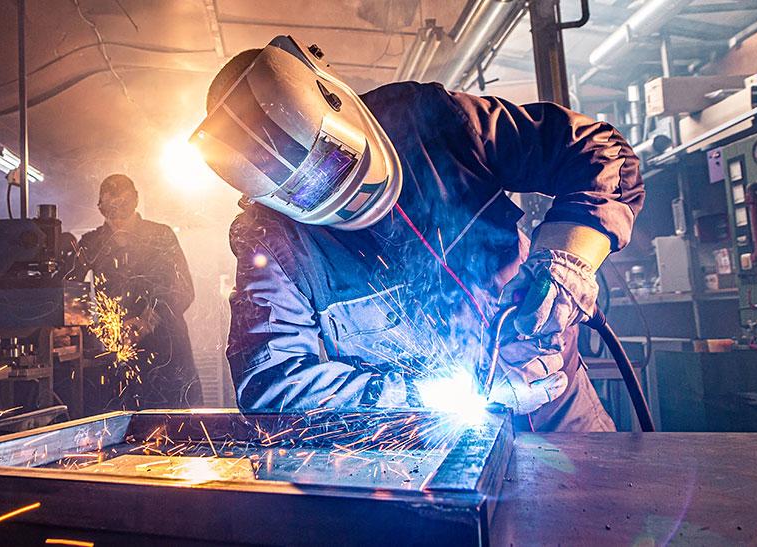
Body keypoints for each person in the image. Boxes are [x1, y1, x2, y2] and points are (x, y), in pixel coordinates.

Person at [192, 36, 643, 431]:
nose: (345, 200)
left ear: (335, 103)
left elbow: (596, 152)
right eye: (305, 195)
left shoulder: (430, 120)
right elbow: (275, 385)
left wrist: (568, 259)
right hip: (429, 456)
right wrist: (440, 396)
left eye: (334, 164)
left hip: (562, 412)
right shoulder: (272, 241)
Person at [76, 174, 202, 409]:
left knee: (177, 427)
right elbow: (68, 289)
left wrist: (147, 320)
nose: (118, 213)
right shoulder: (91, 243)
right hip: (116, 349)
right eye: (112, 206)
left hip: (166, 350)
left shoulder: (161, 236)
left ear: (135, 200)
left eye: (123, 204)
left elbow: (183, 288)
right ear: (100, 208)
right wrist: (80, 330)